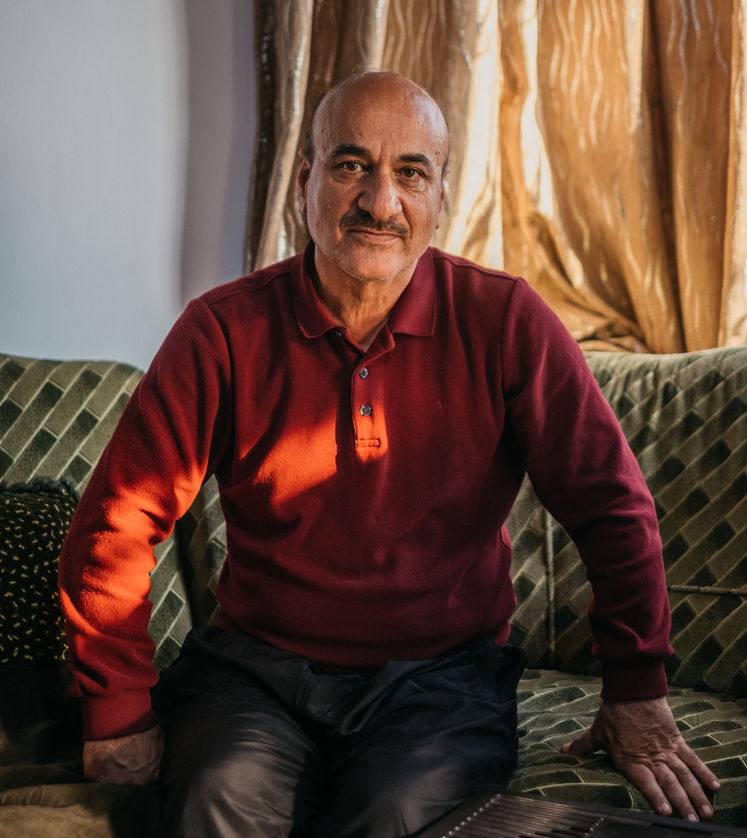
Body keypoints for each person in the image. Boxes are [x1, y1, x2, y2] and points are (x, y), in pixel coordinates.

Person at [59, 71, 720, 836]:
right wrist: (116, 711)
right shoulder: (221, 331)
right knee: (217, 803)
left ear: (440, 194)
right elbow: (115, 526)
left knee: (396, 815)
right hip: (254, 675)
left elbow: (610, 506)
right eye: (350, 166)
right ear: (303, 182)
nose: (379, 202)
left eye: (410, 173)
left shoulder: (505, 320)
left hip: (440, 681)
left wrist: (635, 689)